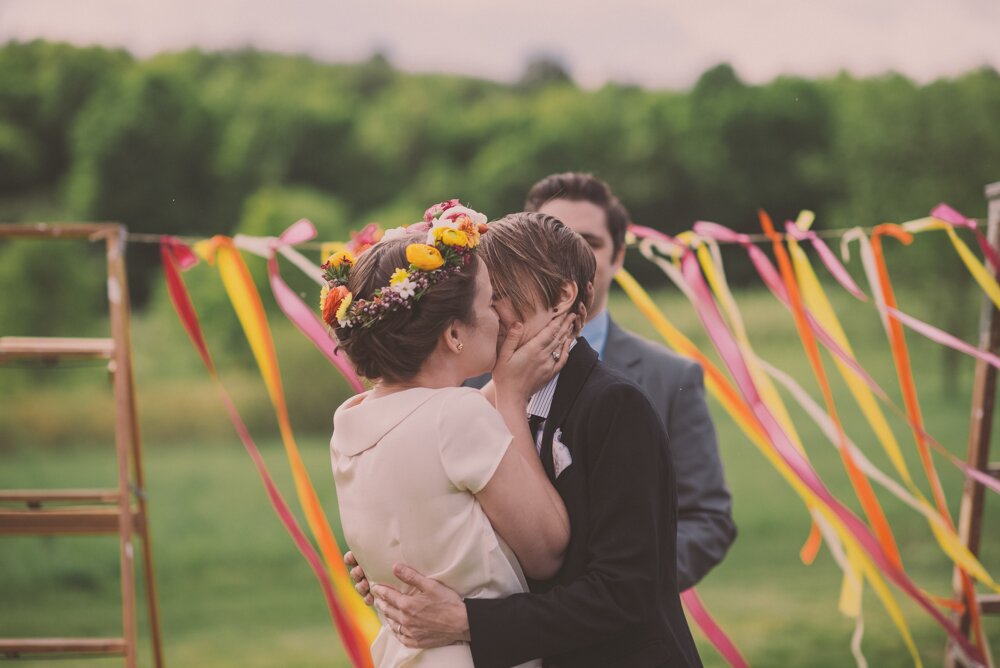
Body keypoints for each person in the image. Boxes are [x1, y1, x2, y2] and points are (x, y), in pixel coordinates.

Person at [365, 213, 703, 668]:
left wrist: (469, 622)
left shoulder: (613, 407)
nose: (487, 312)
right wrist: (401, 564)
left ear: (563, 295)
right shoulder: (475, 407)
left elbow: (625, 593)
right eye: (484, 297)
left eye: (500, 293)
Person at [325, 201, 578, 667]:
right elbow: (547, 551)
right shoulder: (457, 417)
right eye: (488, 301)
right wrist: (512, 398)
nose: (502, 315)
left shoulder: (350, 420)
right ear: (454, 334)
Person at [524, 172, 735, 590]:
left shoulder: (672, 377)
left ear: (618, 257)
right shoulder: (472, 372)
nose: (569, 259)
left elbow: (706, 519)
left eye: (589, 243)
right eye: (553, 244)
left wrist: (624, 588)